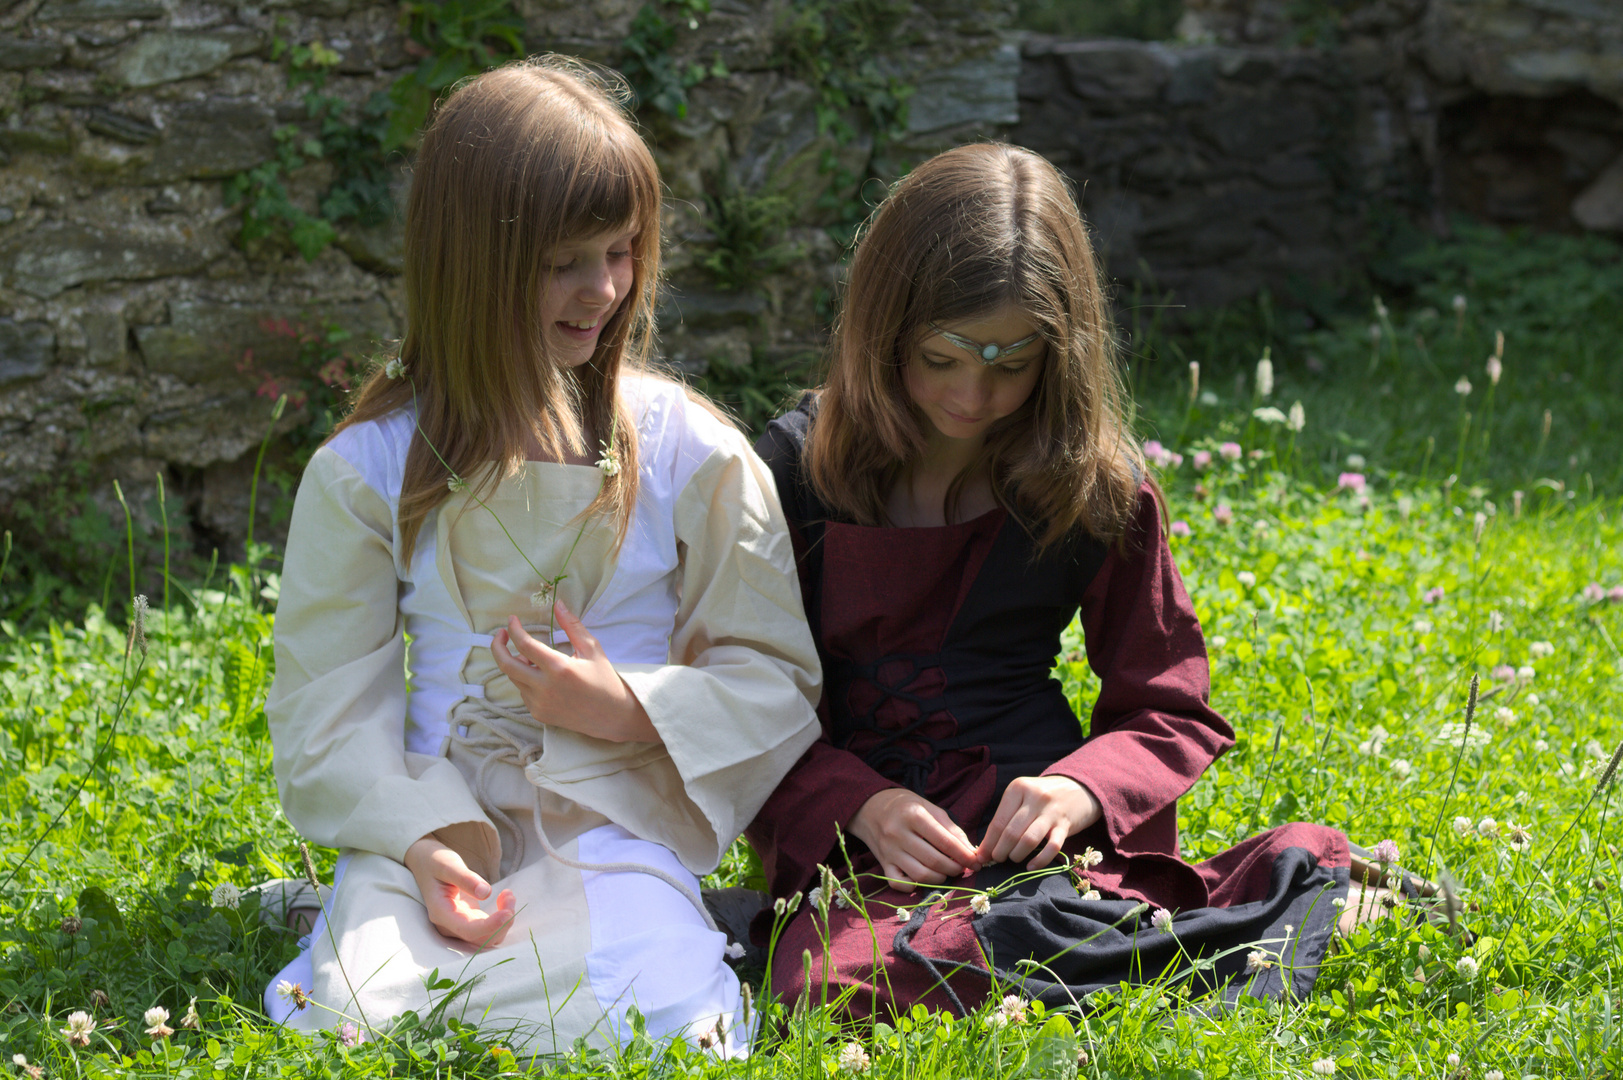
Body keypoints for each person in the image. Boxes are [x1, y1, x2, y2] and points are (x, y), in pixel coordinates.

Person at [262, 57, 822, 1055]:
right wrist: (423, 843)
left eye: (621, 251)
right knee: (362, 1025)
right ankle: (353, 905)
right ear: (470, 262)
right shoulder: (371, 470)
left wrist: (626, 709)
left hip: (608, 824)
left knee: (668, 1029)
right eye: (566, 259)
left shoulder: (694, 453)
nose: (603, 288)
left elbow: (772, 673)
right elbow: (328, 706)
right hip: (434, 826)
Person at [746, 143, 1373, 1019]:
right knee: (829, 990)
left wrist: (1078, 789)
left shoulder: (1089, 482)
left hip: (1022, 816)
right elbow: (731, 696)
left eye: (1011, 364)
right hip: (855, 835)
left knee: (1013, 931)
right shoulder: (788, 471)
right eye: (942, 358)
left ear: (1060, 350)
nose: (972, 394)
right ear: (881, 329)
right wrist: (855, 800)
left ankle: (1238, 892)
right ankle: (1236, 916)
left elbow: (1167, 704)